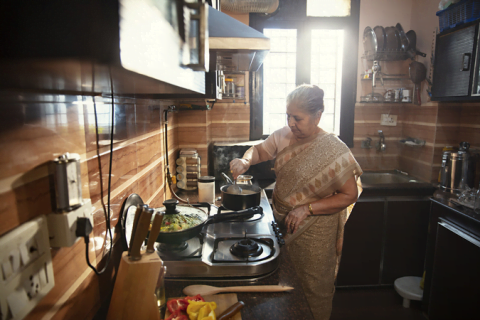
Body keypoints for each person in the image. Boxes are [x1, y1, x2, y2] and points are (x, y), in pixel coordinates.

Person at [230, 84, 362, 320]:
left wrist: (308, 208)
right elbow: (259, 151)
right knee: (282, 284)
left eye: (297, 118)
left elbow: (349, 195)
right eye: (288, 115)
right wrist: (245, 160)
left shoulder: (334, 149)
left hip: (316, 232)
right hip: (281, 222)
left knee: (313, 290)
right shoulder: (283, 135)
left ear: (317, 116)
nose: (291, 123)